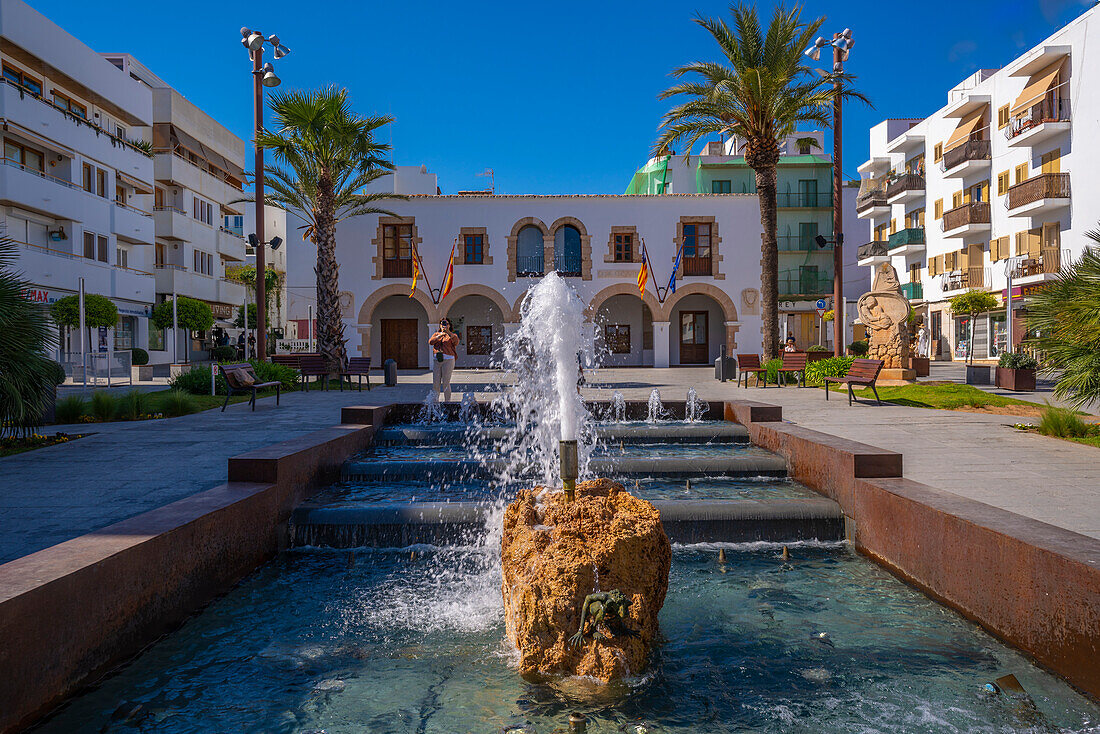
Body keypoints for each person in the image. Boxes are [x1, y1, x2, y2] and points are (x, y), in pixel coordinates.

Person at [429, 318, 460, 402]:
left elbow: (456, 342)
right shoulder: (436, 334)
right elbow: (431, 342)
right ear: (440, 325)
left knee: (446, 382)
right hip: (437, 360)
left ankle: (447, 402)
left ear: (449, 325)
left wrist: (448, 333)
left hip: (448, 360)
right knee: (436, 383)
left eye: (446, 323)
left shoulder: (452, 335)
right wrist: (440, 335)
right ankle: (435, 402)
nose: (444, 325)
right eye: (442, 323)